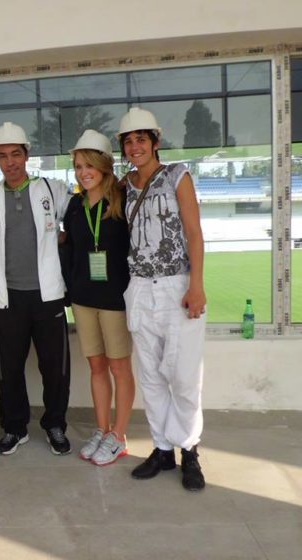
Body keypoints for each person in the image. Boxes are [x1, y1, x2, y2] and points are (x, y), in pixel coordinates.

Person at [117, 107, 207, 491]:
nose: (135, 146)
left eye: (141, 139)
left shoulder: (177, 175)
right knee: (151, 375)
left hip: (176, 284)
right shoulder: (123, 186)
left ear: (155, 142)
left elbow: (194, 232)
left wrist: (197, 284)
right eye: (128, 141)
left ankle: (189, 451)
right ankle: (161, 449)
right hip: (139, 287)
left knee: (184, 377)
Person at [0, 122, 72, 456]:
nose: (10, 162)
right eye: (3, 156)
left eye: (16, 154)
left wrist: (60, 238)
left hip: (47, 296)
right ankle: (15, 428)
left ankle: (55, 424)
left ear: (26, 154)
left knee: (53, 367)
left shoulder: (51, 189)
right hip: (7, 297)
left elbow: (77, 225)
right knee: (10, 368)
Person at [64, 130, 135, 466]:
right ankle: (102, 428)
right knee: (96, 366)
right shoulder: (76, 205)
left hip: (115, 298)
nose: (82, 172)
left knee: (119, 367)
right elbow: (71, 249)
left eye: (88, 165)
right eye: (78, 166)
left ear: (104, 166)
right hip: (83, 297)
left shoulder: (122, 200)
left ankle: (119, 436)